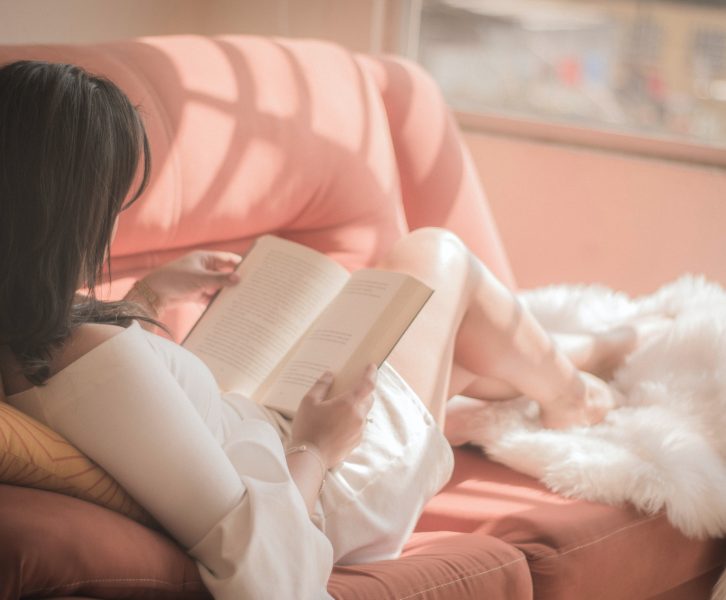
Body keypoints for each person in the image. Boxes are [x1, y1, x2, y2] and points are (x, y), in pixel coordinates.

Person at [0, 60, 657, 599]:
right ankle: (577, 395)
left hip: (269, 435)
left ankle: (588, 352)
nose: (116, 223)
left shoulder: (25, 330)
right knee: (437, 258)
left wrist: (144, 294)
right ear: (67, 214)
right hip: (329, 494)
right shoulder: (91, 369)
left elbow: (127, 421)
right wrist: (319, 445)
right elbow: (266, 568)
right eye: (114, 202)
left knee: (442, 330)